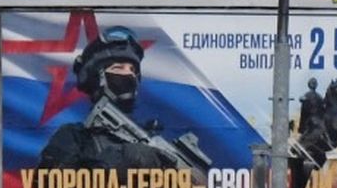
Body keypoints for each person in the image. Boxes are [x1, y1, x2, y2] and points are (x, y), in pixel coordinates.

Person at [38, 26, 209, 172]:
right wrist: (121, 160)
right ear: (98, 77)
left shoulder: (151, 140)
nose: (128, 74)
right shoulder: (74, 137)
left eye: (132, 70)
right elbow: (50, 186)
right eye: (118, 67)